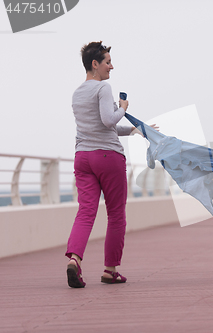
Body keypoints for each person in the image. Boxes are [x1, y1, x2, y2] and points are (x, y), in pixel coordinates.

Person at [65, 41, 139, 288]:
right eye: (108, 62)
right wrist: (124, 108)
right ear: (94, 64)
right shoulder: (103, 88)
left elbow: (101, 126)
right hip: (108, 157)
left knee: (86, 212)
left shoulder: (77, 93)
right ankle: (110, 270)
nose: (112, 67)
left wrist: (132, 130)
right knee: (116, 214)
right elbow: (109, 121)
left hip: (83, 158)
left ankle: (74, 259)